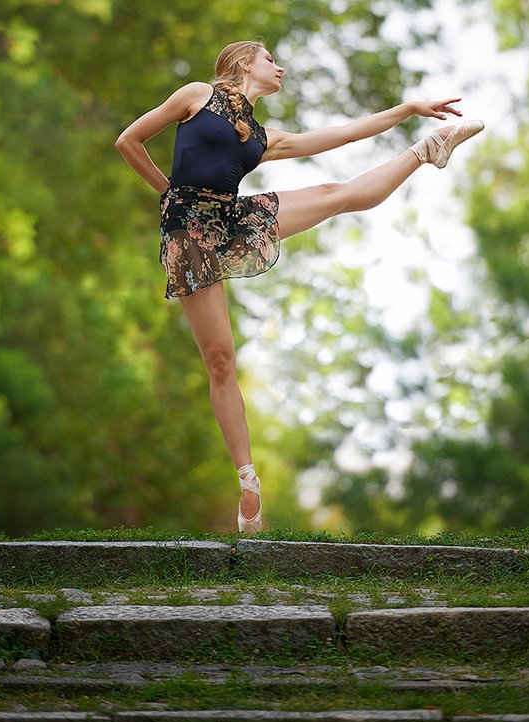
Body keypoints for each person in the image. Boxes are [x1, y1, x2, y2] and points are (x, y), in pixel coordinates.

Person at [115, 40, 483, 535]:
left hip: (232, 218)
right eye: (270, 59)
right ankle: (248, 480)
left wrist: (409, 109)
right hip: (188, 234)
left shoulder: (261, 137)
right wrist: (170, 194)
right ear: (245, 63)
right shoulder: (197, 95)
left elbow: (341, 135)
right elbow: (129, 142)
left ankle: (426, 151)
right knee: (220, 360)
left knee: (335, 194)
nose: (280, 67)